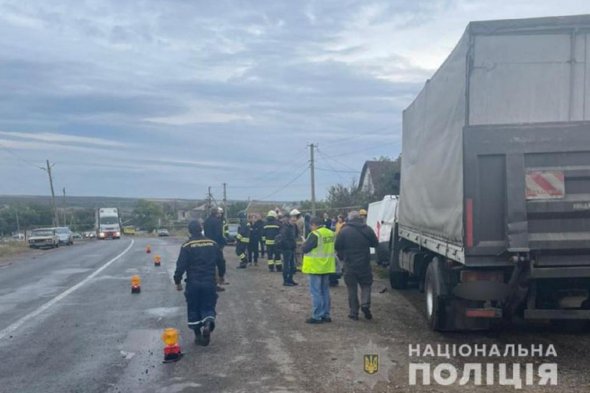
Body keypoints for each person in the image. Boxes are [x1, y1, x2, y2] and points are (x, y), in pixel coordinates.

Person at [174, 220, 225, 346]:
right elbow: (221, 261)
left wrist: (177, 281)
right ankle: (207, 324)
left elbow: (181, 265)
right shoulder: (213, 243)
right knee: (208, 306)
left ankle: (197, 336)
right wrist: (221, 276)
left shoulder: (187, 246)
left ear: (189, 231)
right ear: (201, 229)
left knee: (193, 308)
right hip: (209, 282)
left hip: (193, 283)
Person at [334, 211, 379, 321]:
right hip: (364, 263)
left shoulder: (344, 231)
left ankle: (354, 312)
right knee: (366, 284)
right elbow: (375, 243)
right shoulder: (367, 229)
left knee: (352, 288)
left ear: (349, 219)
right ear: (360, 218)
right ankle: (365, 304)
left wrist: (342, 257)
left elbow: (337, 246)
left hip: (349, 264)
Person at [302, 217, 336, 324]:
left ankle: (317, 316)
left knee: (316, 292)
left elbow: (305, 249)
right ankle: (326, 314)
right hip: (327, 266)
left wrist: (304, 242)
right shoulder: (331, 233)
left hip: (315, 267)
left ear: (313, 224)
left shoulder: (315, 234)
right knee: (325, 291)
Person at [279, 211, 299, 286]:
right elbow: (283, 238)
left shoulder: (294, 226)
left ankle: (290, 279)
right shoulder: (285, 227)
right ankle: (285, 281)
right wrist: (288, 246)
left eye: (295, 218)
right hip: (286, 249)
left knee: (292, 265)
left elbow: (296, 235)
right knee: (286, 265)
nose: (294, 219)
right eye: (293, 218)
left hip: (292, 248)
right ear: (289, 219)